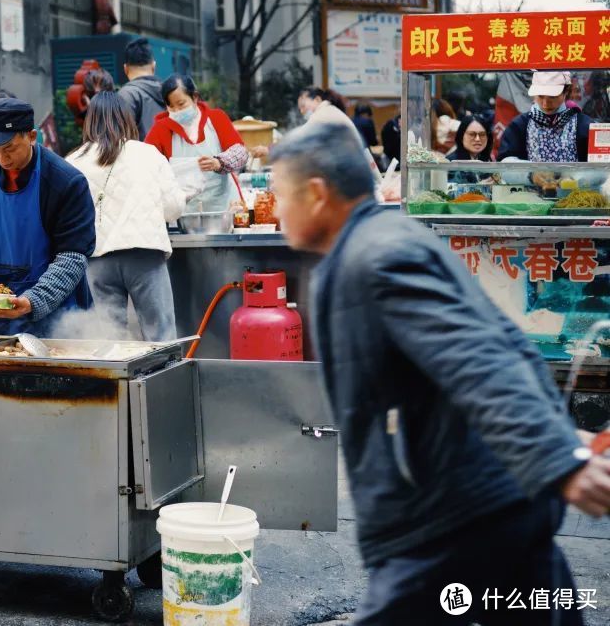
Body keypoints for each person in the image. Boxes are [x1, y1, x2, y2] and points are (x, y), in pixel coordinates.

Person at [269, 120, 609, 626]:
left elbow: (476, 358)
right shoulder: (382, 242)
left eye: (279, 194)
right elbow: (502, 345)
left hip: (448, 517)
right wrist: (554, 439)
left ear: (316, 194)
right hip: (488, 500)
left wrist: (554, 454)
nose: (275, 210)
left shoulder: (377, 256)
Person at [0, 98, 95, 336]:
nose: (1, 159)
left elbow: (72, 257)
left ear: (31, 136)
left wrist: (33, 301)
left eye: (9, 149)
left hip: (55, 317)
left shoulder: (66, 182)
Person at [66, 92, 185, 342]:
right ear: (126, 119)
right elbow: (173, 208)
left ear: (89, 121)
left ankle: (119, 382)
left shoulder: (73, 162)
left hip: (97, 260)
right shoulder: (147, 153)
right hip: (145, 255)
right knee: (160, 336)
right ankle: (161, 382)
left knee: (110, 340)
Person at [144, 74, 248, 213]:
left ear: (195, 97)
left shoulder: (216, 118)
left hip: (224, 209)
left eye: (181, 104)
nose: (176, 111)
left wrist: (220, 163)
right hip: (184, 213)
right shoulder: (161, 129)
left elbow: (240, 152)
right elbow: (147, 165)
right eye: (171, 107)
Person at [499, 71, 594, 162]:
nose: (545, 104)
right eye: (540, 96)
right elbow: (506, 160)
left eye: (552, 97)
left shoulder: (584, 125)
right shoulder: (519, 125)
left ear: (566, 92)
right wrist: (531, 174)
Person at [118, 37, 167, 141]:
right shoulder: (171, 91)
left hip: (141, 156)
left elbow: (121, 138)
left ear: (125, 69)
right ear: (154, 66)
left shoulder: (126, 95)